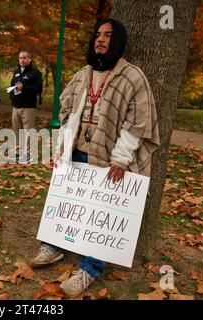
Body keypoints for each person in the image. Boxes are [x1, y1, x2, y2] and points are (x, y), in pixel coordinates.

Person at [30, 18, 160, 297]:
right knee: (67, 202)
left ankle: (89, 268)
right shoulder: (83, 74)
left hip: (109, 158)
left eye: (108, 35)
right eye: (98, 34)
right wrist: (62, 148)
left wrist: (121, 158)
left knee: (101, 215)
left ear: (119, 41)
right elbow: (66, 114)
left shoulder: (132, 77)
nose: (100, 39)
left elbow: (138, 121)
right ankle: (53, 246)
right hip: (77, 150)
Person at [9, 50, 43, 163]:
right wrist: (11, 95)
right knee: (17, 130)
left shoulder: (35, 73)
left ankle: (28, 154)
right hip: (16, 106)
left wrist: (24, 87)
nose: (22, 60)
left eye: (24, 58)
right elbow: (12, 85)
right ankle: (18, 152)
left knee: (29, 131)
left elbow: (38, 89)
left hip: (28, 107)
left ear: (29, 59)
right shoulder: (16, 72)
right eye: (20, 58)